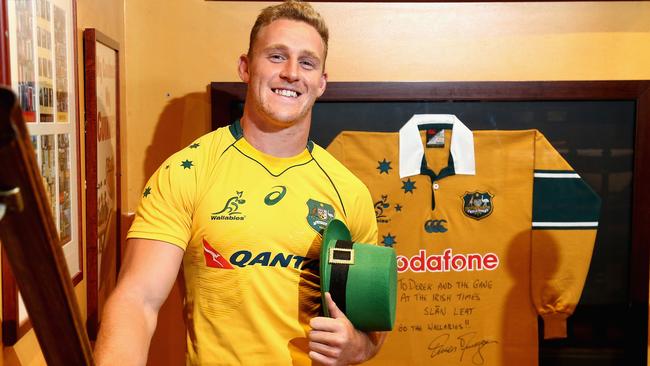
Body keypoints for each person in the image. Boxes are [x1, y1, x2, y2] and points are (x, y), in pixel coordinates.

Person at [94, 1, 384, 365]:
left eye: (307, 62)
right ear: (246, 67)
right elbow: (137, 300)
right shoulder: (188, 171)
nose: (292, 73)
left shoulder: (349, 192)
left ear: (321, 82)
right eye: (276, 57)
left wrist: (355, 346)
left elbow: (373, 328)